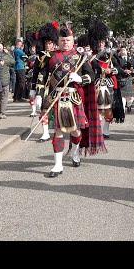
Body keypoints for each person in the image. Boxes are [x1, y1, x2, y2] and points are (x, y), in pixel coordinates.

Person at [46, 25, 105, 177]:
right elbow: (45, 78)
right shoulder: (51, 57)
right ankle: (58, 165)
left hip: (74, 97)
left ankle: (75, 151)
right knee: (58, 131)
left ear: (72, 41)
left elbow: (91, 76)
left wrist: (80, 78)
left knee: (76, 130)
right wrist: (39, 94)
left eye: (68, 40)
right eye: (62, 40)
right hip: (58, 98)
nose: (65, 42)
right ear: (58, 41)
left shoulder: (79, 57)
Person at [87, 19, 120, 139]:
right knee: (97, 108)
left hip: (109, 83)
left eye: (102, 41)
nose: (101, 44)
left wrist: (113, 70)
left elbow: (118, 67)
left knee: (108, 108)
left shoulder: (110, 54)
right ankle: (98, 129)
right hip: (96, 83)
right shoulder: (91, 56)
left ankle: (106, 129)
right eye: (98, 42)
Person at [30, 22, 59, 137]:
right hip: (42, 86)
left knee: (57, 109)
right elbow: (35, 73)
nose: (48, 45)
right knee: (43, 108)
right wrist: (32, 88)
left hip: (55, 85)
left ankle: (58, 130)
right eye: (46, 43)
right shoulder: (39, 56)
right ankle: (45, 132)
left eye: (50, 43)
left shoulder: (57, 55)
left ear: (54, 43)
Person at [112, 45, 134, 114]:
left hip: (129, 79)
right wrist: (124, 71)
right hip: (121, 79)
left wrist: (132, 71)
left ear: (126, 51)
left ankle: (129, 105)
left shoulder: (131, 59)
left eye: (124, 50)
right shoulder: (117, 59)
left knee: (130, 98)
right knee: (122, 98)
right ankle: (123, 110)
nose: (123, 51)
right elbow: (117, 67)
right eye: (122, 50)